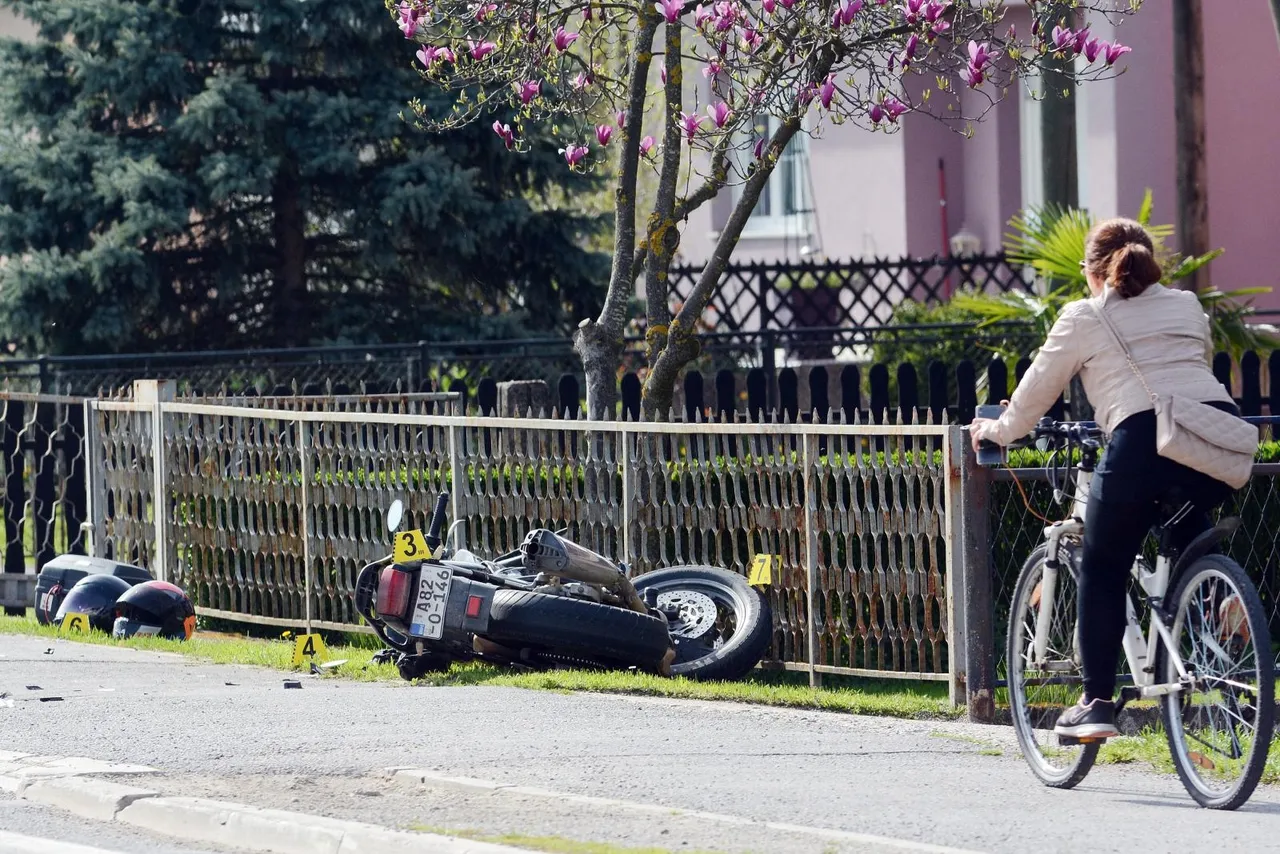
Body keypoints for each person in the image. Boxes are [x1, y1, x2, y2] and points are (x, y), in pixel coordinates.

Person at [969, 217, 1239, 739]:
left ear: (1089, 271)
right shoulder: (1186, 304)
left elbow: (1035, 392)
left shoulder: (1083, 316)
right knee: (1185, 517)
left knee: (1103, 565)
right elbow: (1190, 368)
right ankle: (1219, 594)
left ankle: (1095, 703)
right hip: (1213, 439)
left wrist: (998, 429)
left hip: (1141, 443)